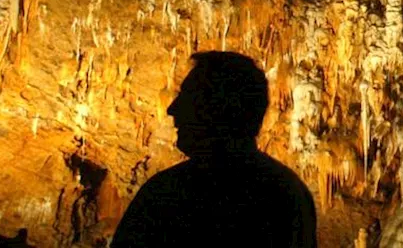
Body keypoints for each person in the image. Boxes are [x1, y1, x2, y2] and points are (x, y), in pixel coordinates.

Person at [112, 51, 318, 247]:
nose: (172, 109)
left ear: (218, 108)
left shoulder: (168, 195)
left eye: (188, 97)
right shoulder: (289, 193)